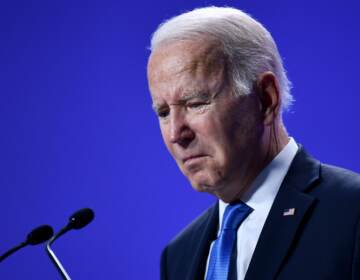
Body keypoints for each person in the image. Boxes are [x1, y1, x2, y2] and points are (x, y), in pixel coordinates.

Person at [146, 6, 360, 280]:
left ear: (265, 99)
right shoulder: (178, 256)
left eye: (196, 103)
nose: (176, 133)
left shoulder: (351, 215)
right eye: (163, 113)